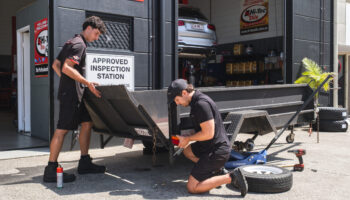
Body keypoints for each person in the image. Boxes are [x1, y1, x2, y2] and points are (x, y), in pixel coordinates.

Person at [43, 16, 107, 183]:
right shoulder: (79, 44)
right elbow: (65, 67)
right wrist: (86, 83)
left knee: (87, 123)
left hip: (76, 92)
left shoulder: (71, 42)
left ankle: (84, 162)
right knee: (62, 130)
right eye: (96, 33)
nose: (97, 37)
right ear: (88, 28)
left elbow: (55, 65)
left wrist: (69, 82)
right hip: (71, 95)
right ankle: (51, 169)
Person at [167, 79, 248, 197]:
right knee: (187, 151)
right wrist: (185, 138)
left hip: (217, 150)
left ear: (184, 93)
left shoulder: (201, 104)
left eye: (177, 100)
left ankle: (232, 177)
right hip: (209, 145)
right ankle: (216, 171)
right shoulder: (196, 102)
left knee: (192, 187)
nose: (178, 103)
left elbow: (208, 133)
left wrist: (188, 139)